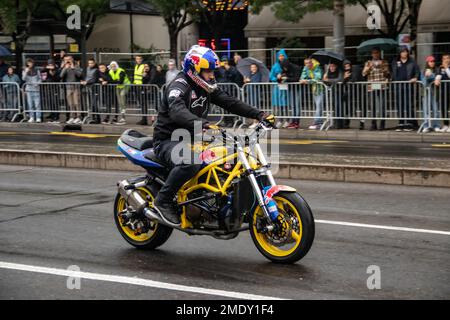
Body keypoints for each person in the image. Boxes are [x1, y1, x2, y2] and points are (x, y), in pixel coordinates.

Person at [152, 45, 275, 225]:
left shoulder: (206, 86)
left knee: (227, 159)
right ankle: (163, 200)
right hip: (168, 141)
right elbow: (177, 111)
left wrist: (259, 114)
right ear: (194, 70)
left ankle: (211, 204)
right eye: (207, 71)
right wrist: (203, 124)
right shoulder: (179, 86)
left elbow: (230, 102)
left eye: (213, 71)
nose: (212, 75)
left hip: (194, 139)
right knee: (191, 161)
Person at [391, 46, 420, 131]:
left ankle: (409, 123)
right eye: (402, 52)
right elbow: (392, 72)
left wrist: (415, 77)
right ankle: (401, 123)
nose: (404, 53)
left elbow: (417, 71)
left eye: (406, 51)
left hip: (408, 85)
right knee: (400, 105)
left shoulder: (412, 61)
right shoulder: (395, 61)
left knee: (408, 105)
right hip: (398, 86)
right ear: (399, 53)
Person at [362, 47, 391, 131]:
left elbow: (388, 74)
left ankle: (382, 124)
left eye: (377, 53)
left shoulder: (384, 62)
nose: (375, 54)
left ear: (379, 53)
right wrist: (369, 67)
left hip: (382, 85)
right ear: (372, 54)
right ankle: (373, 124)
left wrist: (382, 66)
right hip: (372, 86)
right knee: (373, 105)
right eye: (374, 53)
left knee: (382, 105)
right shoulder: (368, 62)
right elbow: (363, 74)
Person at [300, 58, 324, 130]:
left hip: (320, 89)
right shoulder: (306, 68)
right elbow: (302, 77)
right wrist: (303, 80)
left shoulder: (317, 67)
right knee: (317, 106)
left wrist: (307, 81)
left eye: (309, 63)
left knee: (319, 106)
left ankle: (317, 123)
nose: (308, 65)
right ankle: (319, 122)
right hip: (314, 89)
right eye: (306, 64)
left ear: (311, 63)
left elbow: (318, 78)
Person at [60, 55, 83, 124]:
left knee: (77, 103)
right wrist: (64, 68)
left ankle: (79, 117)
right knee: (71, 103)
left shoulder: (76, 66)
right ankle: (72, 117)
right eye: (66, 59)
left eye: (69, 59)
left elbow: (79, 75)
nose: (67, 61)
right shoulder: (65, 67)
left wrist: (73, 68)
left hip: (76, 87)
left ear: (72, 59)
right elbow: (61, 76)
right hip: (68, 87)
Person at [270, 49, 290, 128]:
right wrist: (277, 79)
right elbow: (271, 76)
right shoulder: (275, 66)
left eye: (282, 56)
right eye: (280, 56)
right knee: (278, 105)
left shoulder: (287, 64)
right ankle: (280, 120)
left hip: (285, 87)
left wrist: (284, 78)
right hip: (277, 87)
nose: (281, 57)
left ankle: (287, 121)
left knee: (285, 105)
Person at [421, 56, 440, 133]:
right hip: (425, 93)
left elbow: (438, 77)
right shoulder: (423, 71)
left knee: (435, 110)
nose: (432, 63)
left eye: (433, 61)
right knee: (426, 111)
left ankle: (436, 125)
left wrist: (433, 76)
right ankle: (426, 126)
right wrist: (426, 76)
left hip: (434, 93)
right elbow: (424, 84)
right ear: (427, 62)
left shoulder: (437, 69)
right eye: (430, 61)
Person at [108, 61, 130, 125]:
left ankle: (123, 114)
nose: (113, 67)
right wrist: (115, 81)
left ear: (117, 65)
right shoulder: (110, 71)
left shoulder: (121, 70)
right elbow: (110, 80)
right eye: (112, 66)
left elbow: (121, 81)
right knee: (119, 102)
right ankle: (123, 118)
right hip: (118, 87)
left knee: (122, 96)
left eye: (114, 66)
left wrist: (114, 81)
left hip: (125, 85)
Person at [323, 63, 344, 129]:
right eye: (330, 66)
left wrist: (328, 80)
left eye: (333, 66)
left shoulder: (339, 71)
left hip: (339, 92)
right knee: (332, 108)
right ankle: (333, 123)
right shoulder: (327, 72)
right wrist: (324, 78)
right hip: (331, 92)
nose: (332, 68)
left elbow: (340, 79)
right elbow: (323, 81)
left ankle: (339, 124)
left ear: (336, 67)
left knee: (338, 107)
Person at [22, 58, 42, 123]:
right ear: (27, 64)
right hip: (29, 90)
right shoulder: (25, 70)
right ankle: (32, 117)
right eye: (28, 63)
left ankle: (38, 117)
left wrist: (37, 83)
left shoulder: (37, 70)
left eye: (31, 63)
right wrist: (26, 72)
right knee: (30, 104)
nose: (30, 64)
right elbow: (23, 79)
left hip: (36, 89)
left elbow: (40, 79)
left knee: (37, 104)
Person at [81, 58, 100, 124]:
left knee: (94, 104)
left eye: (91, 63)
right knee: (89, 104)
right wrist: (83, 81)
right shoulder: (87, 69)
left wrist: (87, 82)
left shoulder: (96, 70)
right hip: (88, 88)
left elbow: (94, 80)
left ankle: (97, 118)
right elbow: (86, 77)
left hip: (94, 88)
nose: (90, 64)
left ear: (94, 63)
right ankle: (92, 117)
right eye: (89, 63)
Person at [434, 53, 450, 132]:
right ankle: (446, 125)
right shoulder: (440, 68)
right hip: (443, 91)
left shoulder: (447, 67)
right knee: (444, 108)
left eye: (447, 58)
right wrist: (437, 79)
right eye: (444, 59)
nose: (446, 60)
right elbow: (438, 75)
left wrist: (447, 68)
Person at [244, 63, 263, 129]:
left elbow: (257, 82)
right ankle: (254, 122)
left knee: (255, 107)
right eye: (252, 67)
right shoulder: (250, 74)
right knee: (252, 108)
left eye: (254, 67)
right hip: (250, 93)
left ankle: (256, 122)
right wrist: (246, 81)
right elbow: (247, 82)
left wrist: (249, 80)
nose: (253, 68)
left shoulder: (258, 74)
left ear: (256, 68)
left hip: (255, 93)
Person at [133, 55, 148, 126]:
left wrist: (144, 75)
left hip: (142, 86)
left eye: (139, 59)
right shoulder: (136, 66)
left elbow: (145, 74)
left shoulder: (144, 66)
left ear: (141, 59)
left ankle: (144, 120)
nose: (138, 60)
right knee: (141, 104)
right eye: (137, 59)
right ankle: (143, 119)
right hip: (137, 86)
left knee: (143, 103)